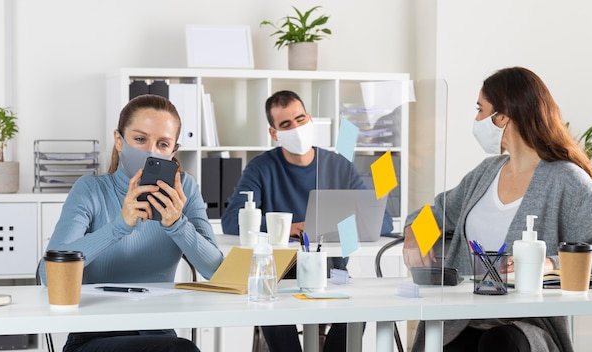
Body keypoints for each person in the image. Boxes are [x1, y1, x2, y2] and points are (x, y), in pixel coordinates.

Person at [403, 67, 592, 352]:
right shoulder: (485, 173)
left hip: (526, 324)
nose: (476, 119)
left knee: (500, 342)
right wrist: (413, 234)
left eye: (481, 110)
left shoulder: (566, 180)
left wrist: (549, 264)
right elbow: (436, 213)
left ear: (503, 117)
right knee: (452, 344)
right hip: (463, 317)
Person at [39, 94, 224, 352]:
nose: (151, 151)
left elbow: (217, 272)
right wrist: (120, 226)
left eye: (162, 144)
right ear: (119, 141)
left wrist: (177, 225)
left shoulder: (187, 190)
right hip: (94, 338)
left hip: (161, 337)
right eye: (140, 139)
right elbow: (48, 276)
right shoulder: (91, 190)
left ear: (173, 151)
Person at [221, 90, 394, 352]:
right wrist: (285, 230)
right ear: (274, 133)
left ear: (310, 119)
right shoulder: (260, 168)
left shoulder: (339, 166)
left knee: (356, 314)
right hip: (280, 276)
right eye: (286, 124)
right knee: (274, 313)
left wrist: (334, 227)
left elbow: (383, 221)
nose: (296, 128)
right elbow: (232, 221)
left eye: (300, 119)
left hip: (332, 273)